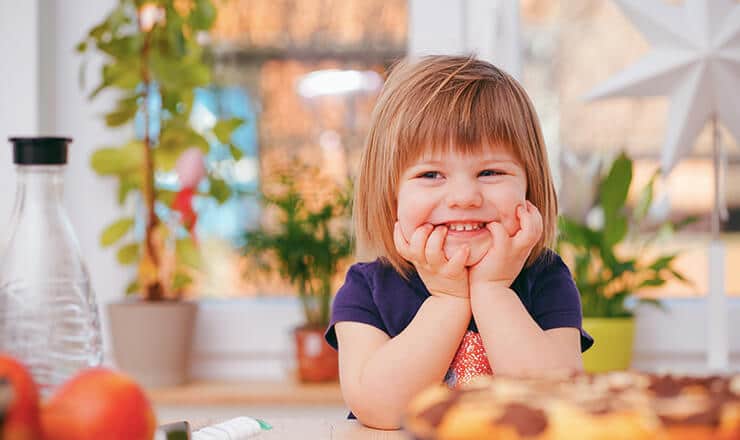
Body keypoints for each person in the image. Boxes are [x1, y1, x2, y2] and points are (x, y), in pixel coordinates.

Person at [324, 55, 593, 430]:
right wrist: (448, 299)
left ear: (530, 187)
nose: (464, 196)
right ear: (390, 195)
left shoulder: (546, 278)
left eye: (490, 171)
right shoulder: (366, 289)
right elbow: (379, 409)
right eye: (431, 174)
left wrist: (493, 290)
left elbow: (555, 404)